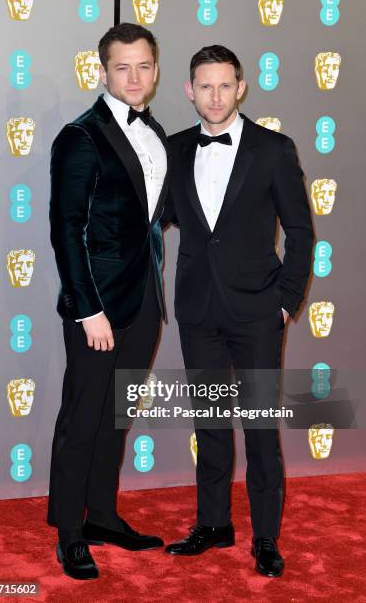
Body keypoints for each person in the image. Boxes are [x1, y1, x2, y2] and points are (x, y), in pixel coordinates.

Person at [162, 45, 313, 577]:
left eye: (225, 85)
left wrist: (284, 302)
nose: (216, 96)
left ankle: (266, 537)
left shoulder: (273, 149)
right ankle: (213, 524)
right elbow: (152, 217)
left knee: (260, 428)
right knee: (209, 424)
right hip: (198, 311)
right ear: (189, 90)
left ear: (241, 87)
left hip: (256, 312)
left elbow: (299, 231)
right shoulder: (174, 150)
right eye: (205, 86)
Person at [48, 22, 169, 580]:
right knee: (83, 416)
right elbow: (66, 230)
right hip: (96, 307)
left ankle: (102, 515)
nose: (135, 77)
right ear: (103, 71)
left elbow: (148, 219)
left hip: (144, 302)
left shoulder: (156, 132)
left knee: (116, 418)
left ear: (156, 68)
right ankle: (70, 532)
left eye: (144, 65)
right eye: (122, 67)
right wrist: (86, 308)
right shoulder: (80, 136)